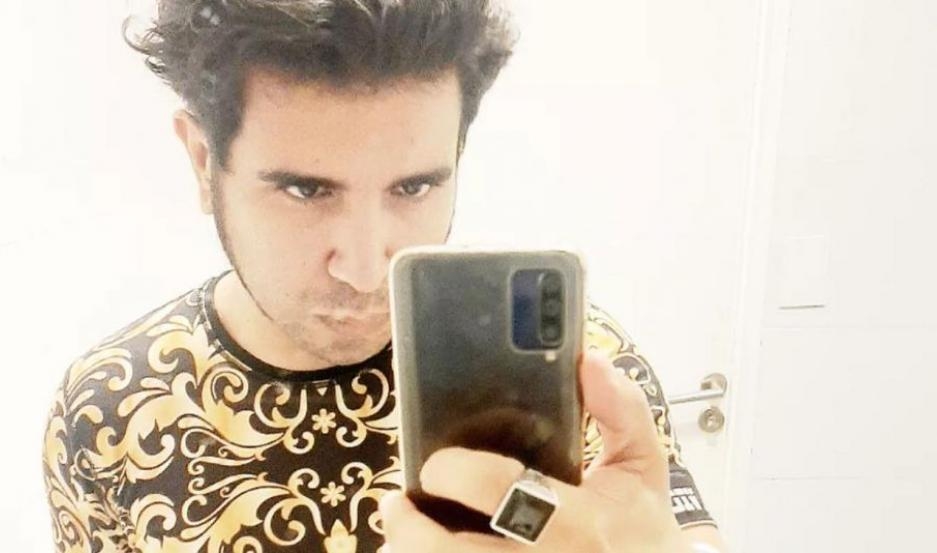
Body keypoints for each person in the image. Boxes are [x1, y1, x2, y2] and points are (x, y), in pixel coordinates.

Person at [41, 1, 727, 551]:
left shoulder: (580, 373)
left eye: (414, 187)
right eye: (306, 191)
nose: (368, 268)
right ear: (201, 161)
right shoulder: (109, 407)